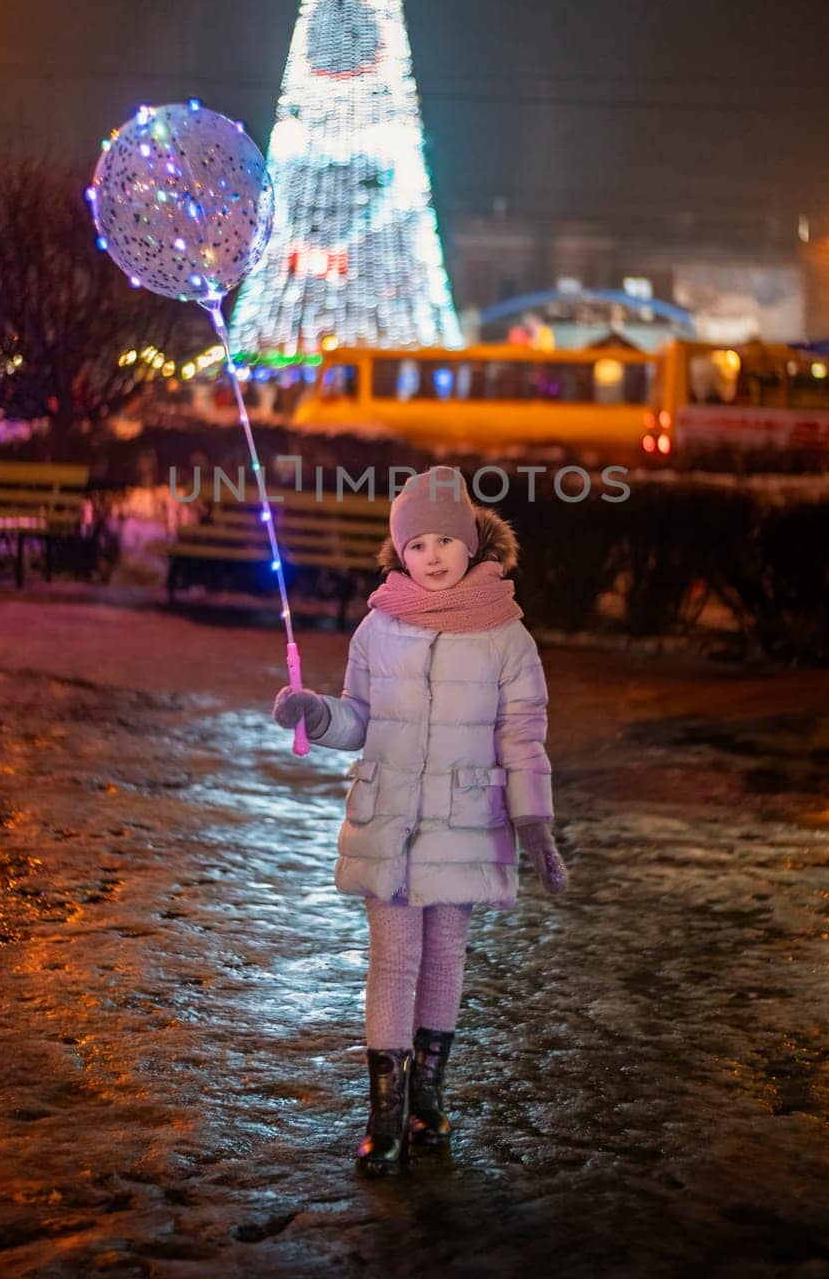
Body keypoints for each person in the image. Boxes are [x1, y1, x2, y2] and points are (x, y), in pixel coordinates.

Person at [273, 465, 567, 1176]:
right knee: (393, 959)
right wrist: (316, 713)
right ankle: (385, 1114)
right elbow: (359, 718)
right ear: (398, 552)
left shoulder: (506, 635)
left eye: (445, 539)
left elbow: (523, 736)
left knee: (443, 957)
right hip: (390, 819)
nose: (431, 555)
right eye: (416, 544)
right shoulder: (379, 626)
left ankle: (428, 1098)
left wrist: (534, 824)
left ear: (472, 544)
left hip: (465, 821)